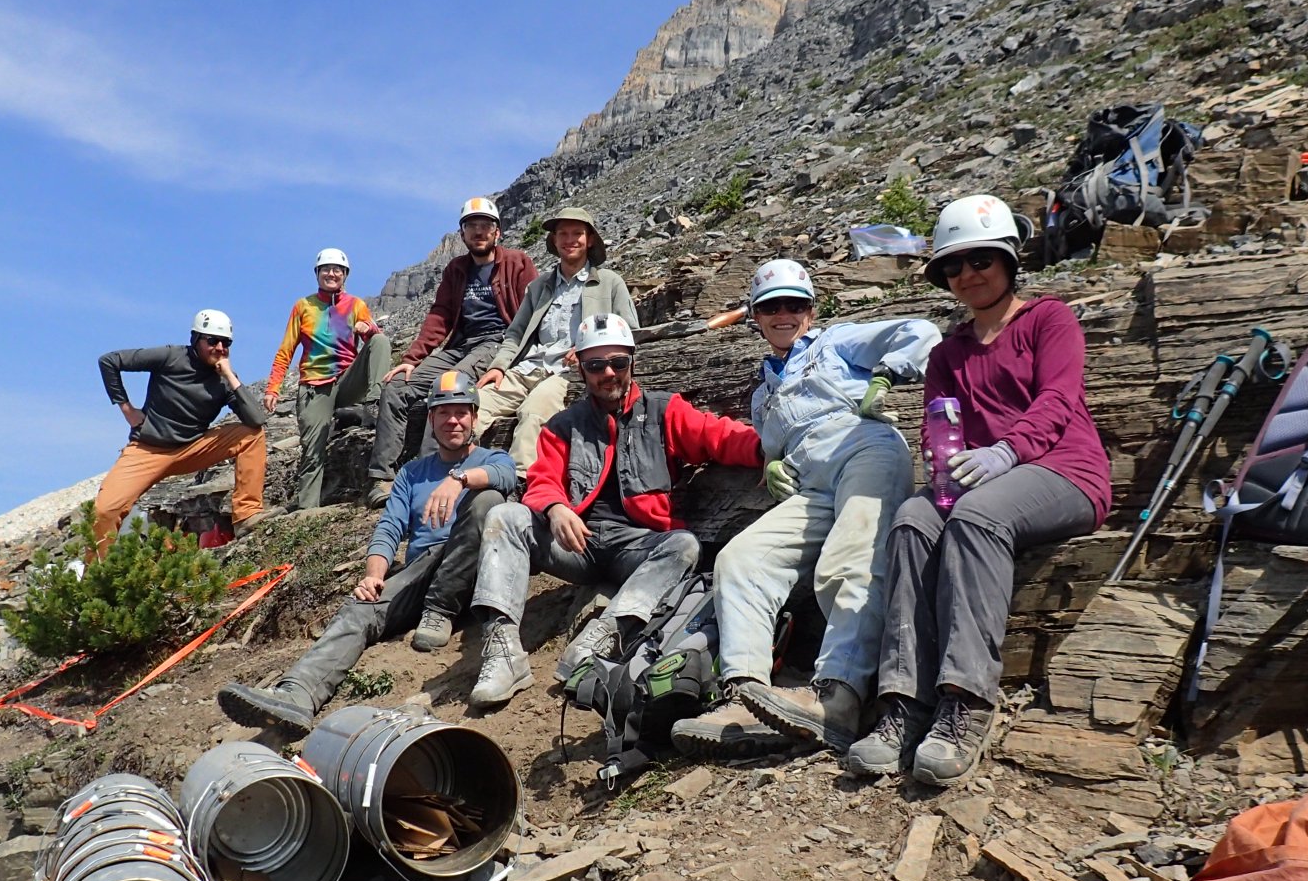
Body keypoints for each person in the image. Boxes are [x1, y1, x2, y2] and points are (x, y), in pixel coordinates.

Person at [841, 195, 1112, 786]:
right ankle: (903, 703)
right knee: (913, 519)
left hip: (1063, 471)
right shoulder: (947, 352)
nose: (968, 275)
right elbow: (939, 423)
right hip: (984, 478)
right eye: (954, 266)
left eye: (980, 261)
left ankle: (966, 701)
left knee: (979, 518)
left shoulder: (1049, 320)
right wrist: (947, 467)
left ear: (1009, 260)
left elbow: (1058, 401)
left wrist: (1006, 451)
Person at [703, 258, 940, 751]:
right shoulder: (762, 392)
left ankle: (840, 695)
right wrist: (771, 464)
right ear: (756, 315)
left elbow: (919, 330)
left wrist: (885, 379)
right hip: (812, 486)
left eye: (795, 304)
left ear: (811, 311)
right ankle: (746, 693)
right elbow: (772, 444)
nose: (783, 314)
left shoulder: (836, 341)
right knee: (741, 560)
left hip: (862, 448)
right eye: (771, 306)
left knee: (850, 558)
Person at [467, 313, 762, 708]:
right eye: (596, 365)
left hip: (638, 547)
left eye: (618, 362)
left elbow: (719, 436)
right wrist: (555, 508)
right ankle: (503, 652)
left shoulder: (664, 410)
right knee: (505, 516)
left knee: (684, 545)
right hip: (577, 545)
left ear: (631, 363)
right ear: (583, 370)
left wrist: (770, 448)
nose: (608, 372)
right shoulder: (563, 425)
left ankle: (602, 637)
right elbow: (542, 480)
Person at [235, 373, 517, 728]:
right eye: (444, 413)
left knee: (488, 500)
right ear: (431, 419)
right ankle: (297, 695)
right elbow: (389, 528)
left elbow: (506, 479)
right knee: (360, 609)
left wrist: (458, 479)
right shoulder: (412, 474)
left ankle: (441, 609)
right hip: (423, 573)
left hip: (477, 573)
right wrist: (373, 576)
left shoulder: (495, 458)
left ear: (475, 417)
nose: (453, 421)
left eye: (461, 412)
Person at [368, 197, 536, 505]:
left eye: (486, 226)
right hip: (459, 345)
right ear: (462, 234)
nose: (479, 232)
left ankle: (431, 479)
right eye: (472, 226)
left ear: (497, 232)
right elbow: (440, 316)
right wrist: (411, 360)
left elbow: (532, 310)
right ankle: (383, 479)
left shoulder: (518, 262)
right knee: (396, 385)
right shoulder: (456, 269)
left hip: (498, 342)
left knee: (452, 385)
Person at [476, 206, 637, 477]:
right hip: (528, 368)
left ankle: (517, 482)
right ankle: (451, 475)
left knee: (532, 413)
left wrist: (590, 351)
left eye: (577, 233)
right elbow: (515, 334)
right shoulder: (539, 287)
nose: (569, 239)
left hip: (569, 372)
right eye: (562, 233)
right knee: (472, 405)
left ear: (590, 240)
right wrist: (498, 367)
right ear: (554, 240)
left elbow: (629, 331)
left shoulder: (610, 283)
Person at [93, 310, 269, 551]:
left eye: (226, 343)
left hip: (192, 448)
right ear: (196, 339)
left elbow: (256, 420)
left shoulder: (223, 379)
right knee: (105, 510)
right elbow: (109, 361)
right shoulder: (171, 356)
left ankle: (247, 514)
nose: (219, 347)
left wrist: (229, 375)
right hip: (148, 450)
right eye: (212, 341)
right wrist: (127, 409)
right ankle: (98, 577)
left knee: (251, 436)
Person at [264, 248, 391, 512]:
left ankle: (376, 400)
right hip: (314, 386)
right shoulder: (303, 307)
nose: (331, 274)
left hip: (346, 380)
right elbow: (285, 350)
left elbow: (372, 337)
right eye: (326, 269)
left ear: (345, 275)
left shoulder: (356, 305)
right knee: (313, 449)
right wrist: (273, 388)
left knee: (380, 341)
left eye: (337, 270)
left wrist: (368, 329)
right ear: (317, 274)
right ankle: (307, 510)